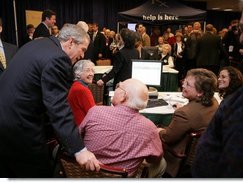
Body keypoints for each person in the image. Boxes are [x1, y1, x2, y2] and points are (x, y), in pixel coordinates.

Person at [0, 24, 100, 177]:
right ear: (71, 42)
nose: (82, 56)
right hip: (20, 127)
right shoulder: (58, 58)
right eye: (83, 50)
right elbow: (58, 107)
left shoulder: (38, 44)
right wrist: (79, 149)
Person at [191, 0, 243, 177]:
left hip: (201, 64)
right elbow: (222, 51)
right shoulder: (217, 38)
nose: (242, 38)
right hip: (213, 64)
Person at [79, 78, 166, 177]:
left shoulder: (95, 112)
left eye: (118, 87)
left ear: (123, 96)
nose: (115, 90)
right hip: (120, 177)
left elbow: (78, 137)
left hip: (83, 173)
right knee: (162, 164)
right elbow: (155, 158)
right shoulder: (149, 128)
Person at [158, 68, 219, 177]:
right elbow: (195, 114)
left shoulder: (184, 114)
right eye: (184, 81)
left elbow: (167, 138)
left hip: (178, 158)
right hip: (204, 156)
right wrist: (184, 108)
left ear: (200, 92)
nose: (183, 85)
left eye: (188, 84)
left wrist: (158, 130)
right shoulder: (214, 102)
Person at [68, 59, 96, 126]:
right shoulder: (82, 90)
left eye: (92, 71)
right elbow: (94, 114)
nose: (91, 74)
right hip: (82, 129)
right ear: (78, 73)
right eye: (88, 70)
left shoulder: (76, 86)